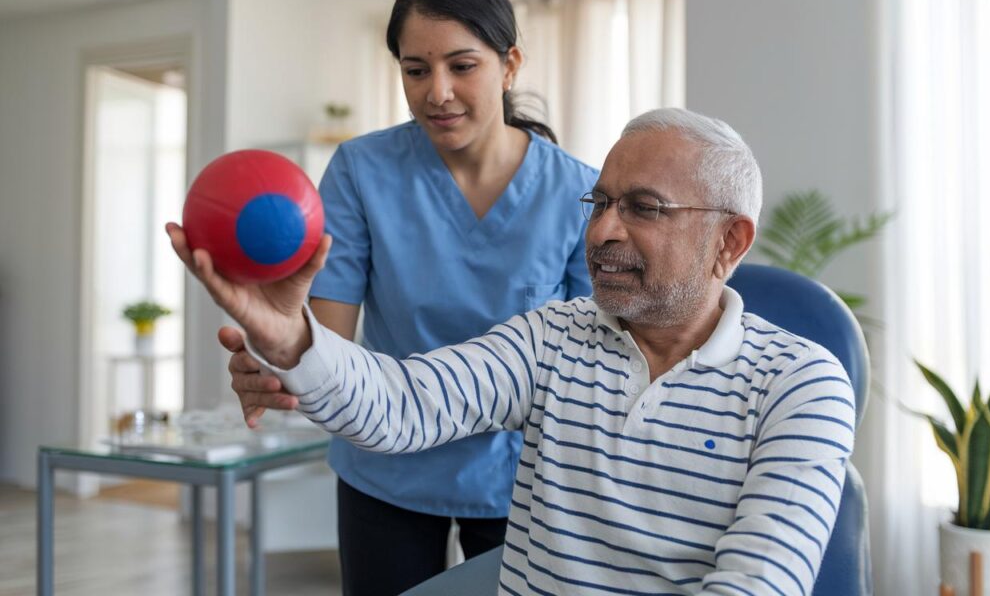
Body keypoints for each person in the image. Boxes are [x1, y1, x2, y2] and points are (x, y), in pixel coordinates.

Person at [169, 107, 855, 594]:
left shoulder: (801, 384)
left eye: (643, 208)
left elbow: (757, 583)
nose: (604, 230)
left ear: (730, 242)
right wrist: (290, 334)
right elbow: (402, 405)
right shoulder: (552, 337)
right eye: (601, 202)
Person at [172, 0, 596, 595]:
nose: (439, 93)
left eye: (462, 65)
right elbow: (327, 339)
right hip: (386, 462)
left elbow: (594, 356)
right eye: (416, 69)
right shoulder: (361, 170)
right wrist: (278, 356)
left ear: (509, 65)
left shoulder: (580, 191)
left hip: (522, 476)